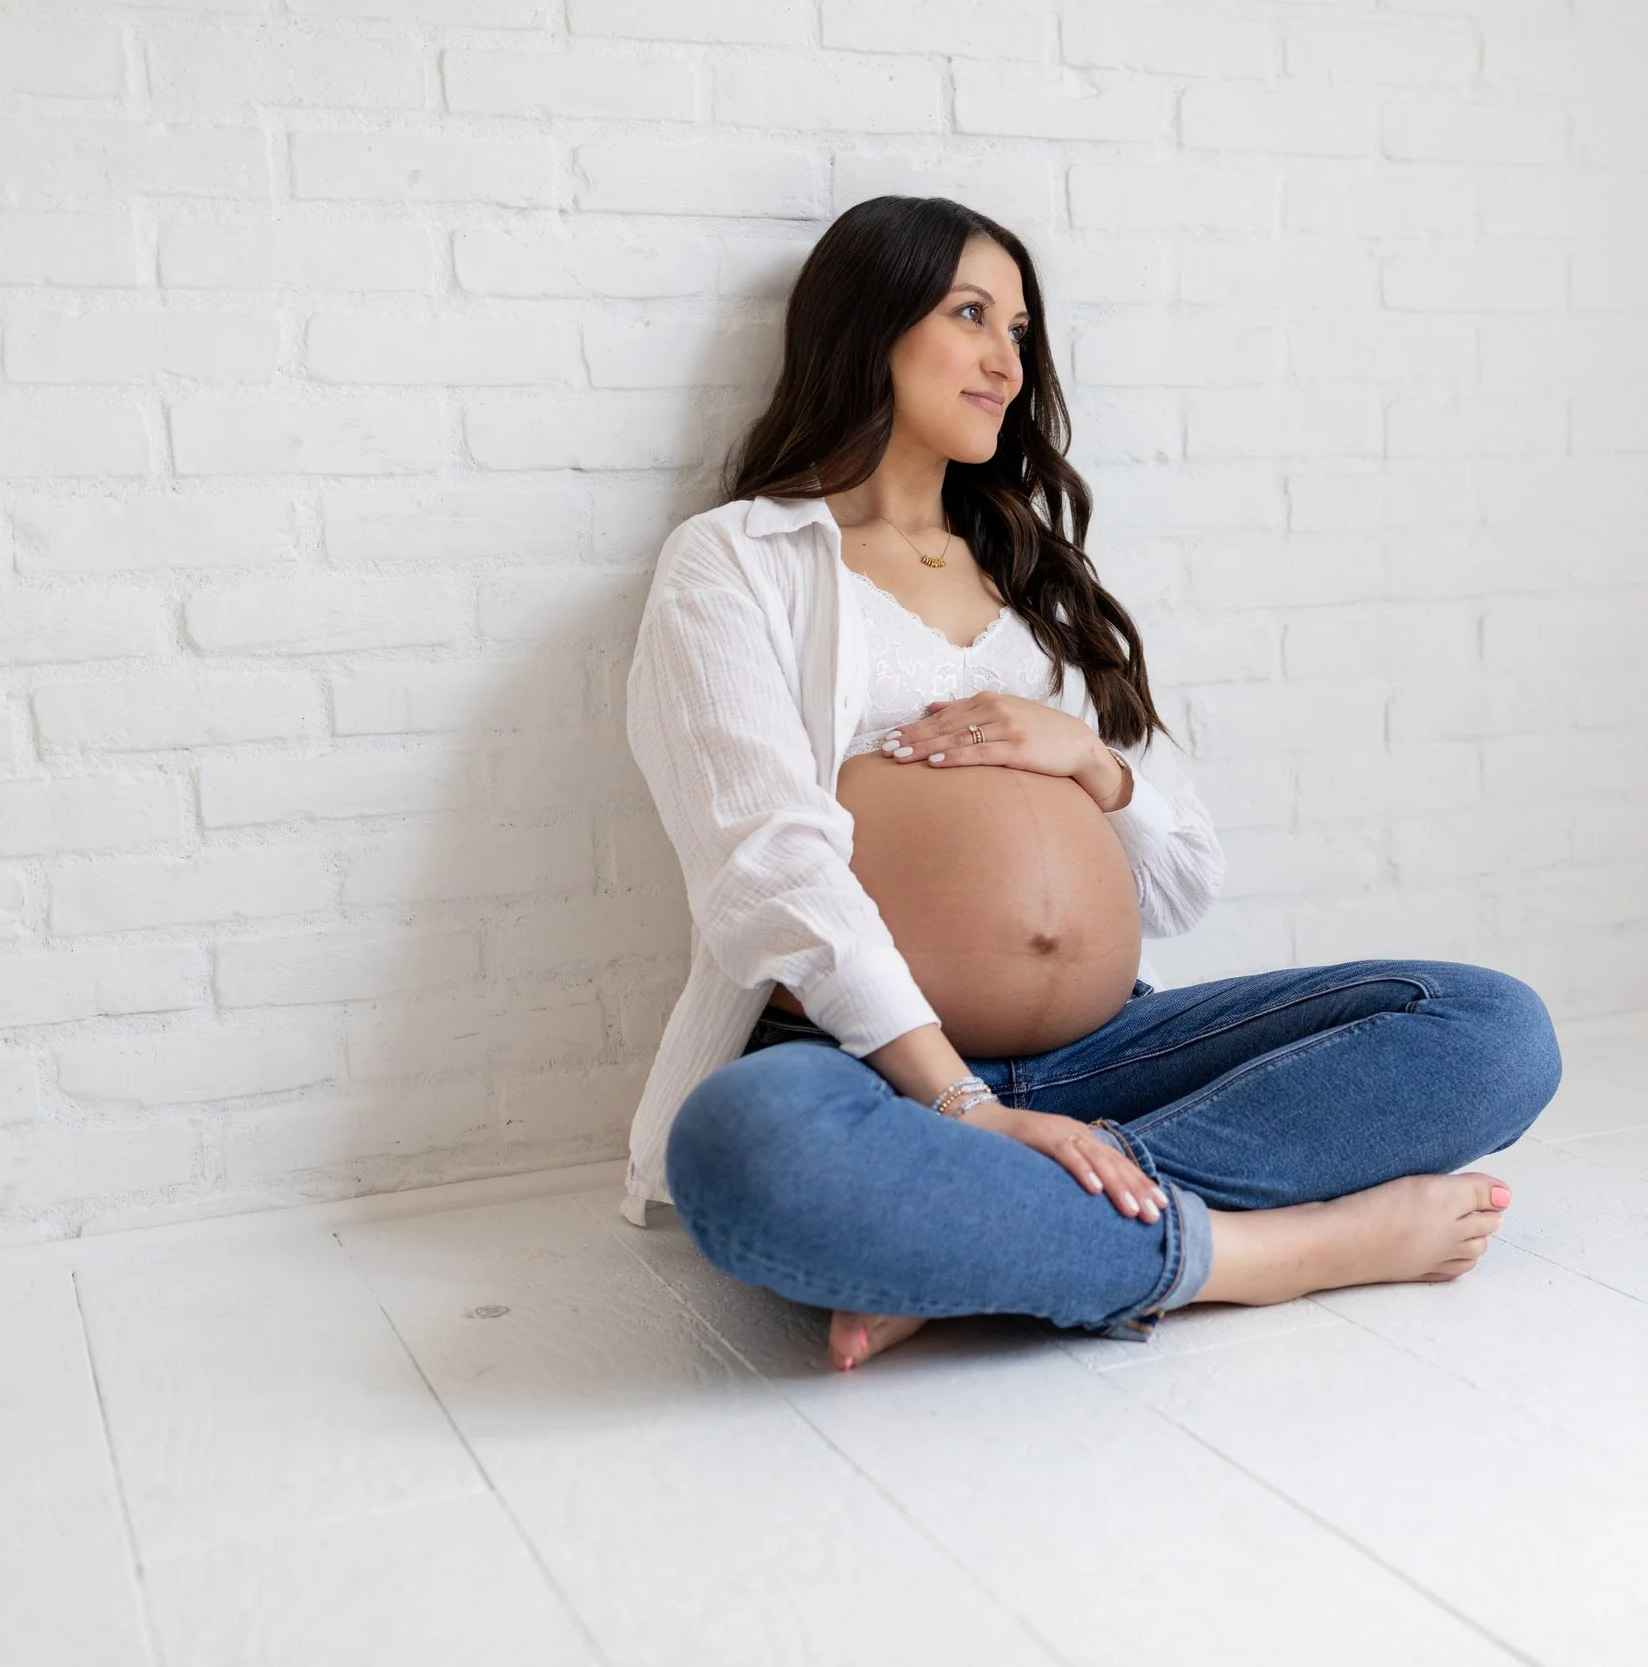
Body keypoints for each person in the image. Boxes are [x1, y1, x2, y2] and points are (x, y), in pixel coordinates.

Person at [623, 196, 1564, 1372]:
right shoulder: (739, 561)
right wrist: (965, 1104)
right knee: (750, 1150)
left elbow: (1179, 886)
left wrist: (1093, 764)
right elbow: (764, 862)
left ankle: (995, 1233)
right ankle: (1266, 1251)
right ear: (866, 325)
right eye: (971, 314)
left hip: (1106, 1051)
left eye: (1019, 328)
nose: (1007, 361)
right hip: (872, 1073)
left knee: (1492, 1028)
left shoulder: (1043, 589)